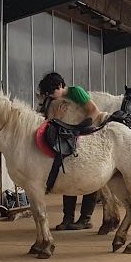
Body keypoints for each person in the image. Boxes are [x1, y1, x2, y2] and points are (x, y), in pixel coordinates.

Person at [37, 72, 106, 231]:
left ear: (60, 86)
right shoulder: (55, 100)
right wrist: (59, 118)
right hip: (70, 136)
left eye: (52, 91)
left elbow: (94, 111)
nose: (50, 96)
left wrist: (78, 128)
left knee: (90, 175)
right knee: (69, 175)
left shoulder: (76, 92)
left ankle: (85, 218)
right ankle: (68, 218)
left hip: (86, 133)